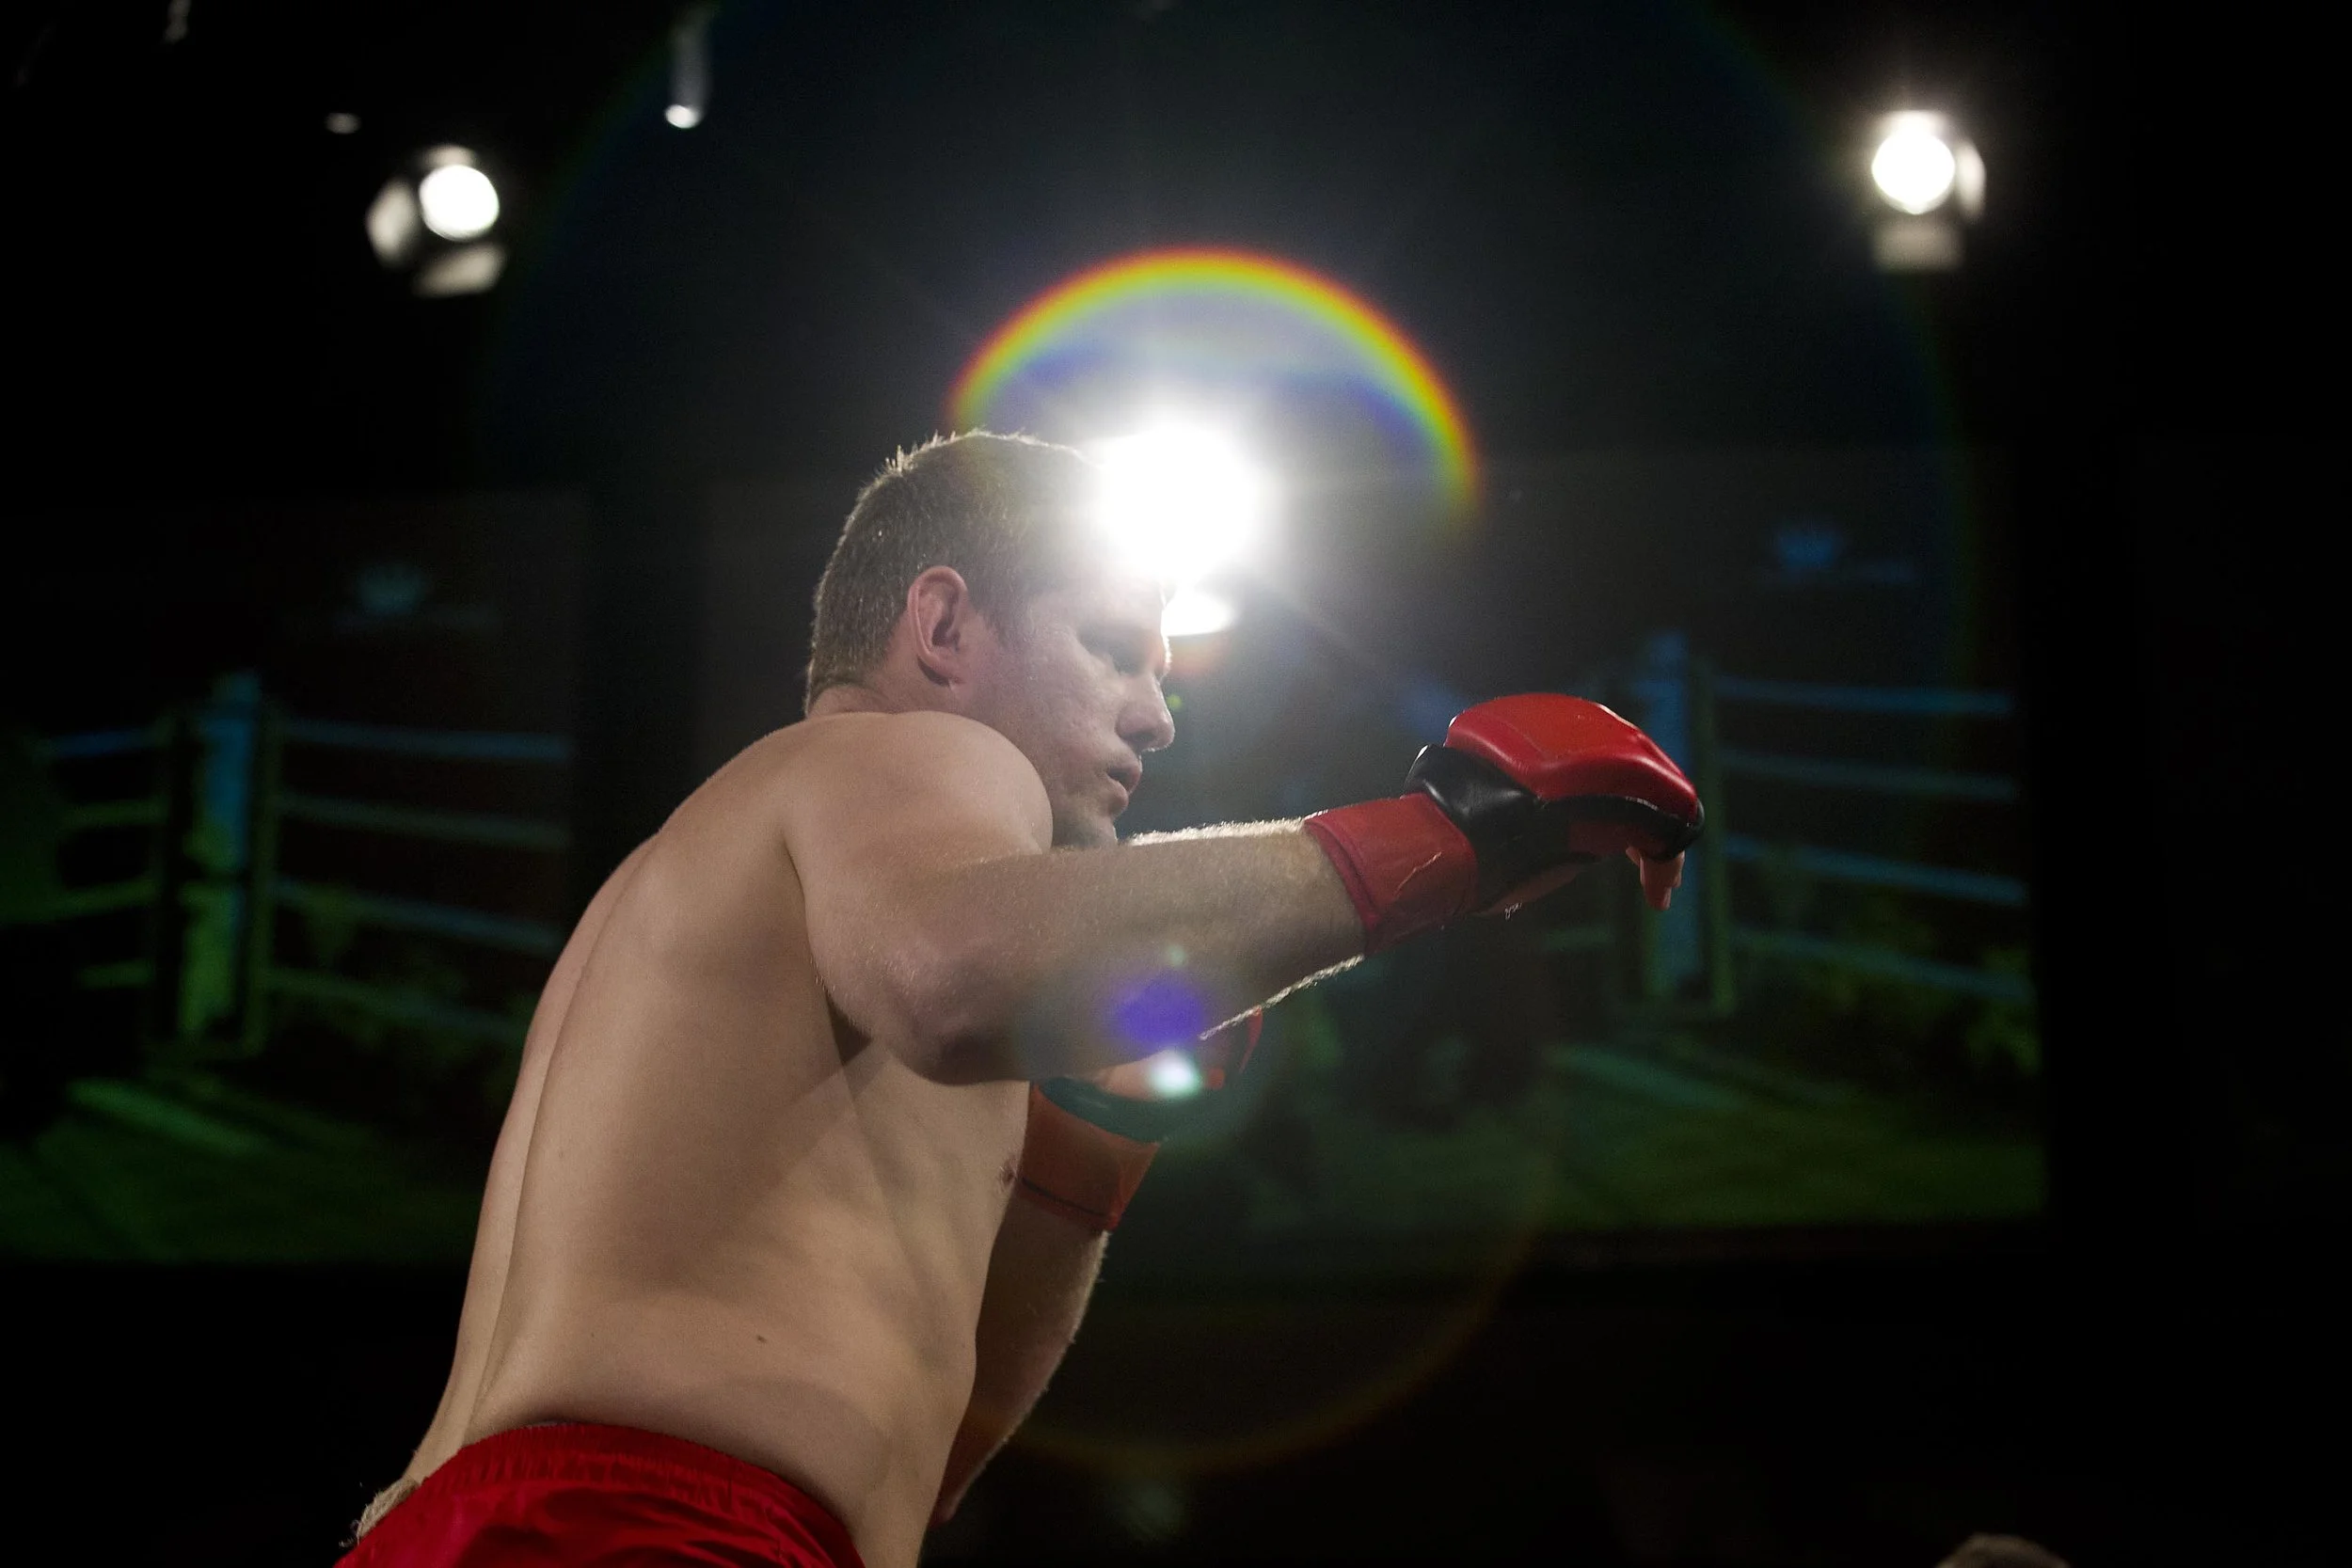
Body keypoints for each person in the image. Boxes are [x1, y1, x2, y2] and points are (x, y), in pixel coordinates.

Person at [342, 431, 1698, 1568]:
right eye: (1113, 647)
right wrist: (1456, 836)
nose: (1157, 715)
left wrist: (1087, 1158)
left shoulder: (709, 890)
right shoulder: (907, 755)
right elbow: (950, 974)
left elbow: (928, 1450)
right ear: (940, 626)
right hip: (646, 1526)